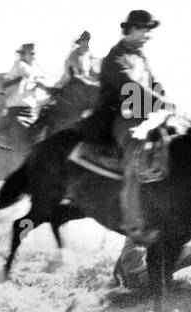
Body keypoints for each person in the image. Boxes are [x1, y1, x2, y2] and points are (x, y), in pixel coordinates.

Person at [69, 10, 166, 235]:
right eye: (145, 30)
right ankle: (132, 221)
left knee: (182, 140)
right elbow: (129, 86)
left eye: (149, 31)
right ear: (132, 29)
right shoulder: (115, 57)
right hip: (122, 118)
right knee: (135, 150)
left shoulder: (141, 56)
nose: (148, 35)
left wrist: (166, 100)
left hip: (146, 114)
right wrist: (160, 102)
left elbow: (154, 83)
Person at [0, 43, 55, 150]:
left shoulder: (31, 69)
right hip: (19, 111)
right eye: (30, 53)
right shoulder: (21, 66)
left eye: (33, 54)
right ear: (23, 55)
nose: (33, 56)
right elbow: (37, 78)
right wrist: (50, 88)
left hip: (27, 110)